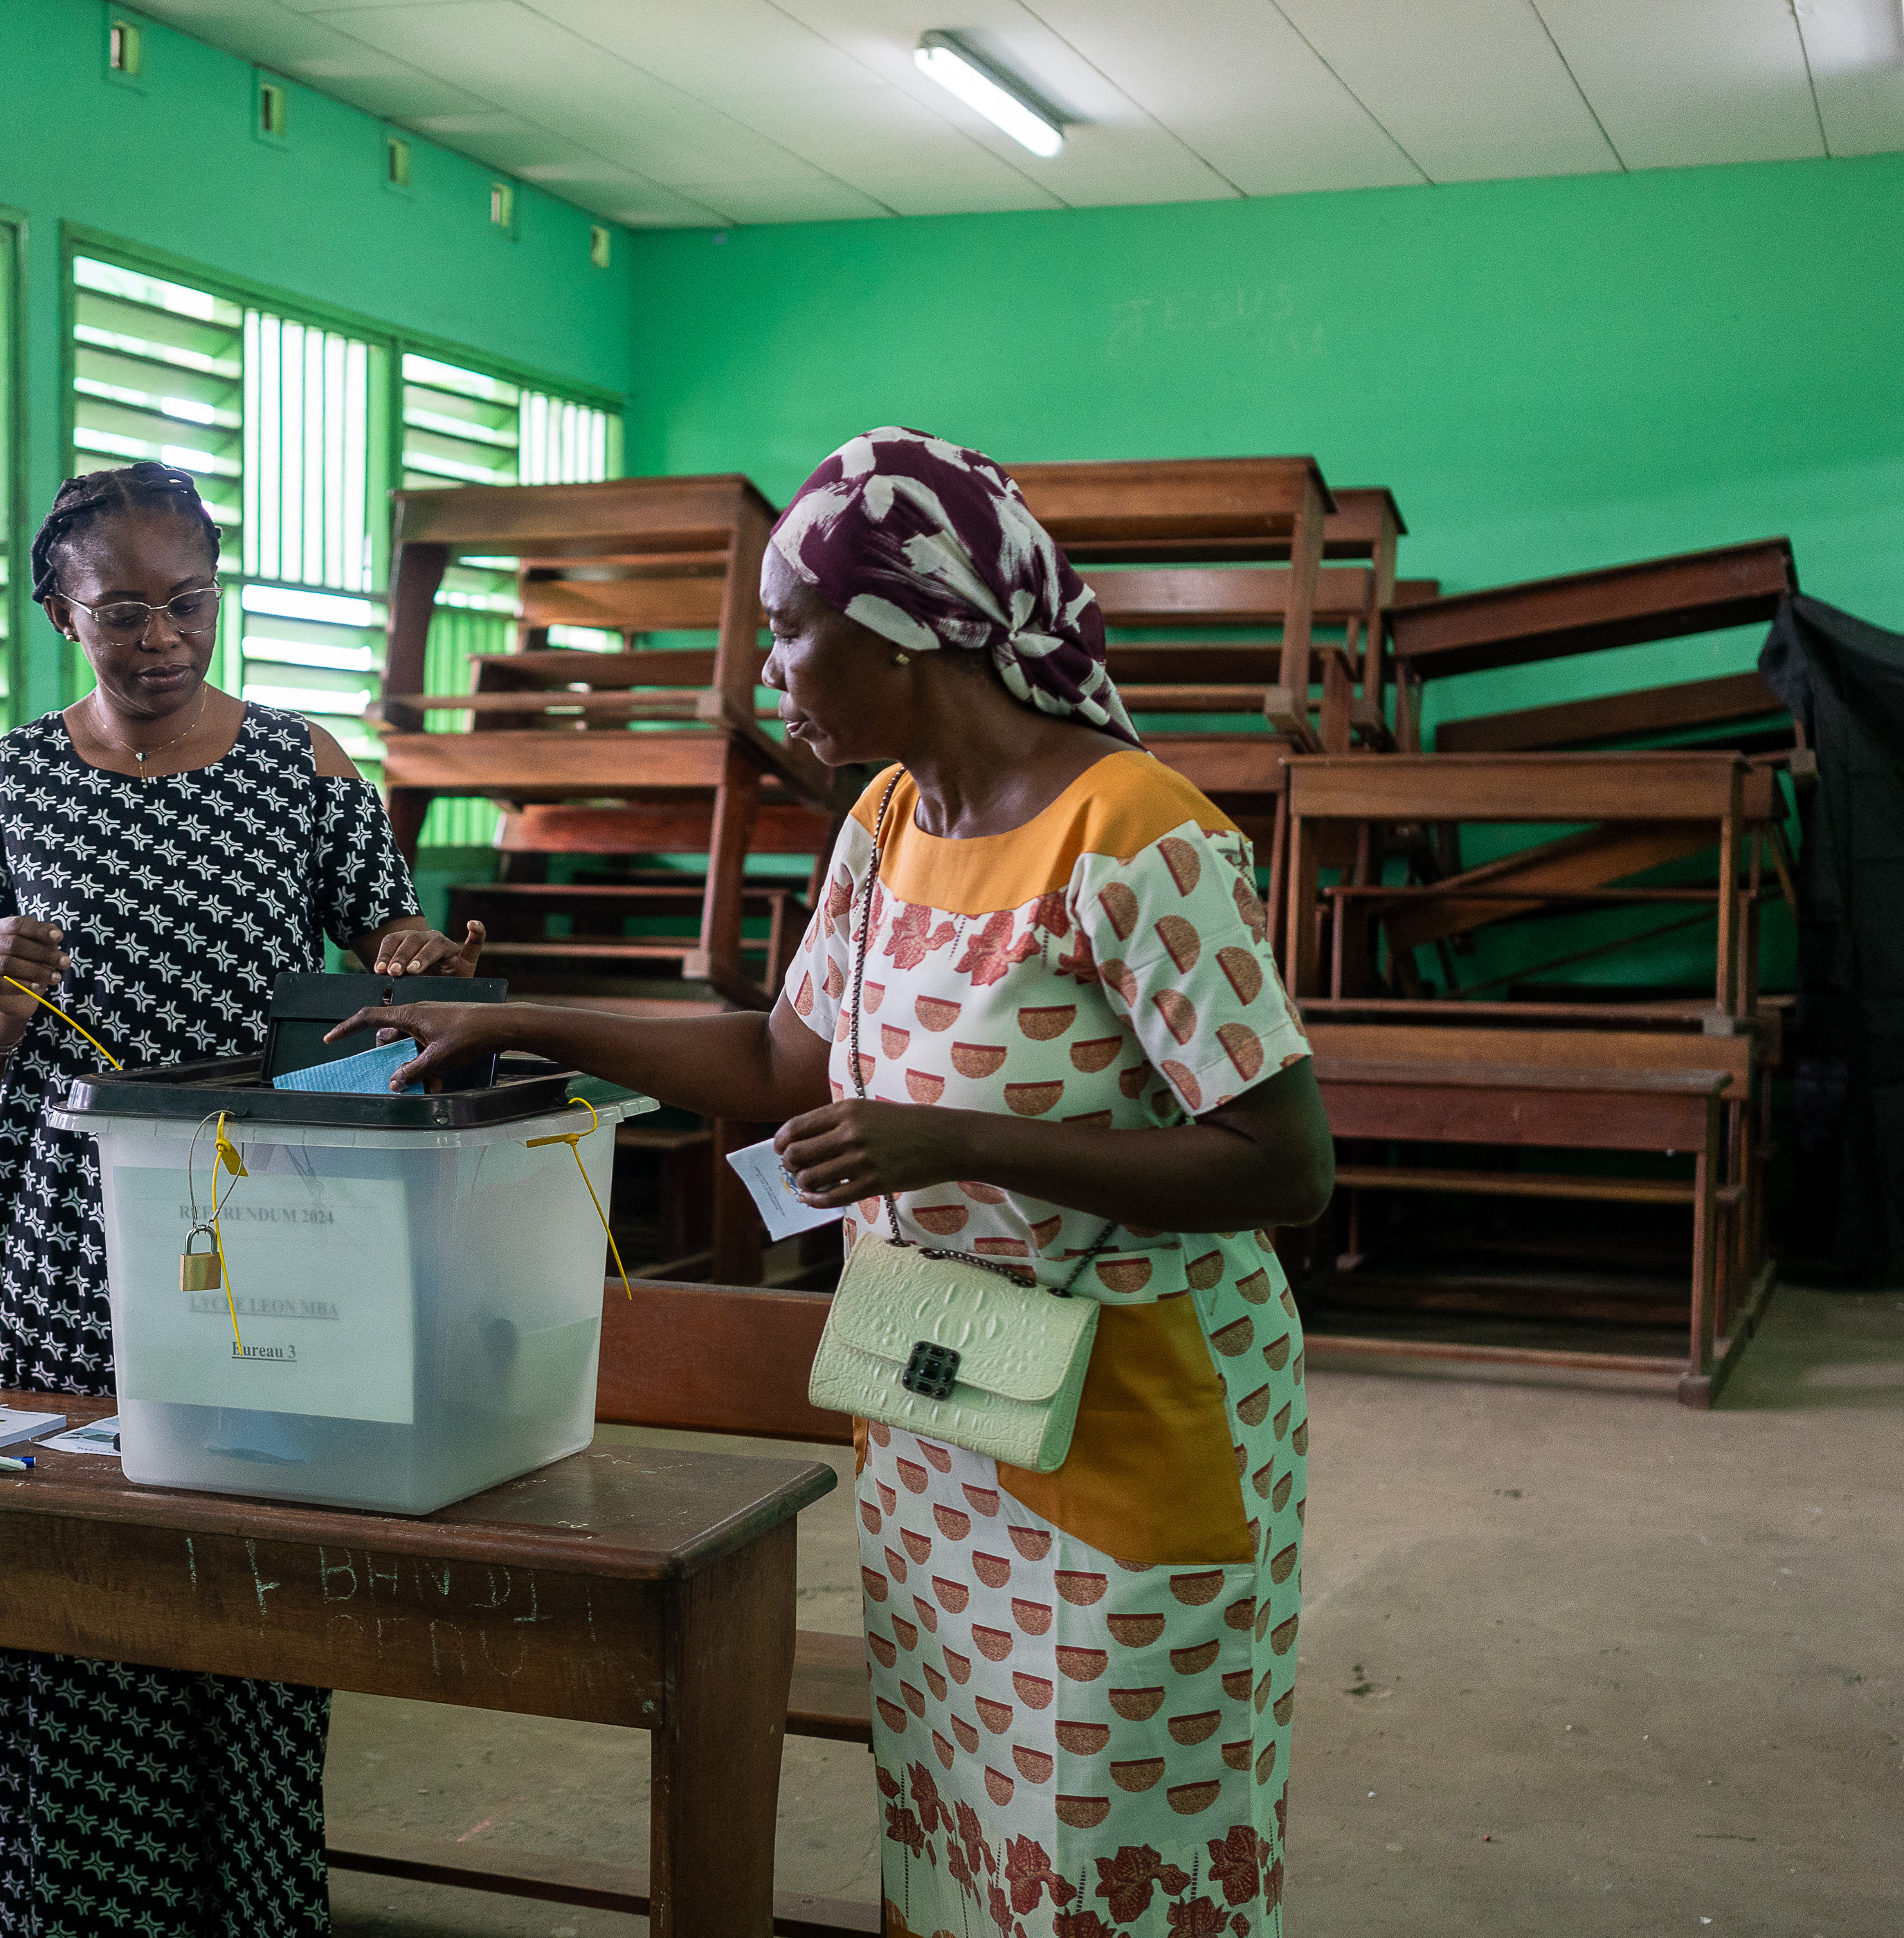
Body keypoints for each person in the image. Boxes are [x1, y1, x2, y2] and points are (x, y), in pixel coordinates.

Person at [341, 428, 1335, 1938]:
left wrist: (962, 1141)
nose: (769, 673)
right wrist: (521, 1013)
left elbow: (1289, 1163)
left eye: (791, 630)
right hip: (944, 1412)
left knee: (1108, 1834)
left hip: (1131, 1418)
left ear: (911, 630)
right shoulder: (882, 827)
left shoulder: (1137, 838)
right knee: (952, 1814)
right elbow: (787, 1057)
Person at [0, 461, 481, 1937]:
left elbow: (390, 937)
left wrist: (417, 958)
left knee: (251, 1550)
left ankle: (250, 1903)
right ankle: (66, 1909)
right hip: (64, 1220)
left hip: (263, 1210)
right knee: (61, 1553)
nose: (161, 638)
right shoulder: (12, 776)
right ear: (61, 612)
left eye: (189, 605)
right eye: (123, 611)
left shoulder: (305, 765)